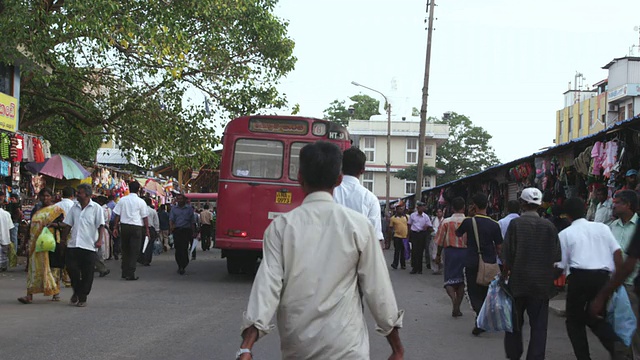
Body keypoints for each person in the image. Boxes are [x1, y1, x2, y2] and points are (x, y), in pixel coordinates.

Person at [237, 141, 404, 360]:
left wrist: (247, 346)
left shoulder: (282, 227)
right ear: (338, 179)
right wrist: (397, 348)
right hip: (348, 348)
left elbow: (266, 288)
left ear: (299, 178)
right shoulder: (359, 225)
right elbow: (378, 290)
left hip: (298, 347)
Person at [557, 197, 626, 360]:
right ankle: (615, 344)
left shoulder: (565, 234)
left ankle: (584, 357)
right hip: (602, 279)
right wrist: (617, 279)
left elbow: (561, 265)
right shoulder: (603, 228)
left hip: (579, 278)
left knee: (574, 322)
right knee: (595, 316)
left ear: (567, 215)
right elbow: (617, 253)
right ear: (585, 209)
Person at [501, 188, 561, 360]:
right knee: (539, 326)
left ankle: (513, 355)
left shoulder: (516, 224)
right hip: (541, 284)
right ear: (539, 204)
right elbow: (556, 257)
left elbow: (507, 255)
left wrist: (504, 276)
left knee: (514, 323)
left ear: (522, 203)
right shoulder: (549, 226)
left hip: (518, 282)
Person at [595, 190, 640, 358]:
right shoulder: (611, 227)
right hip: (615, 287)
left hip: (632, 286)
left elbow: (630, 263)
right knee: (618, 331)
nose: (613, 205)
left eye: (617, 202)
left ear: (628, 205)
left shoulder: (638, 226)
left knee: (635, 331)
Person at [455, 193, 503, 336]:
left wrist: (470, 215)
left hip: (472, 262)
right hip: (490, 263)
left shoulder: (469, 222)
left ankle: (480, 319)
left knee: (473, 292)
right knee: (487, 292)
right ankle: (482, 319)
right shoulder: (494, 224)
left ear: (473, 206)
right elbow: (499, 247)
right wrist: (504, 264)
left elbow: (458, 233)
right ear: (487, 205)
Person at [18, 188, 65, 304]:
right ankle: (29, 295)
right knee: (33, 268)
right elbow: (30, 226)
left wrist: (54, 224)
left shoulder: (56, 210)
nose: (45, 198)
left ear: (52, 197)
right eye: (43, 196)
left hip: (50, 243)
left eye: (48, 196)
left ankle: (55, 292)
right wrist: (25, 243)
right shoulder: (36, 210)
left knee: (52, 268)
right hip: (36, 243)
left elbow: (64, 224)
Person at [61, 184, 105, 307]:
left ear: (87, 195)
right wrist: (63, 240)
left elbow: (101, 226)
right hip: (74, 244)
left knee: (87, 273)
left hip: (89, 245)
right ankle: (77, 291)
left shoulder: (96, 208)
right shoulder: (74, 208)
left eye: (79, 193)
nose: (77, 195)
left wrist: (100, 240)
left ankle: (82, 297)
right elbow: (68, 225)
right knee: (72, 270)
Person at [333, 147, 384, 247]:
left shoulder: (330, 192)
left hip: (329, 256)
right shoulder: (371, 199)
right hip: (358, 257)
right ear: (362, 170)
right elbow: (376, 239)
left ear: (341, 167)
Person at [434, 196, 467, 317]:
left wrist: (438, 255)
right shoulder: (468, 221)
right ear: (464, 207)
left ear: (452, 208)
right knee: (462, 280)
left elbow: (440, 240)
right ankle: (457, 305)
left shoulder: (446, 222)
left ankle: (453, 301)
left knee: (449, 279)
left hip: (450, 252)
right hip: (465, 253)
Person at [112, 181, 150, 281]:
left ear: (129, 188)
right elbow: (145, 217)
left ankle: (124, 271)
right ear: (138, 190)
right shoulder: (141, 202)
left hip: (124, 226)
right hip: (136, 227)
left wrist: (115, 227)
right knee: (134, 250)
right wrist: (147, 230)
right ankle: (131, 273)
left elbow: (117, 215)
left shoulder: (122, 200)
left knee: (125, 249)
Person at [170, 194, 195, 275]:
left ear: (185, 200)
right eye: (178, 199)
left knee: (184, 248)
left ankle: (184, 263)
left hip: (186, 230)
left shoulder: (189, 209)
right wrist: (171, 228)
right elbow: (171, 219)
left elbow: (192, 221)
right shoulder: (174, 209)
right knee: (178, 249)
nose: (179, 200)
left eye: (181, 199)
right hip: (177, 230)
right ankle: (180, 265)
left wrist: (194, 231)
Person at [408, 201, 433, 274]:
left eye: (423, 207)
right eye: (420, 207)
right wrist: (408, 234)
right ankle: (414, 268)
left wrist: (427, 226)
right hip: (414, 234)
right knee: (414, 251)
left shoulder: (426, 216)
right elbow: (409, 225)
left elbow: (430, 226)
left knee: (420, 251)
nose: (421, 208)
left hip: (422, 234)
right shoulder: (412, 215)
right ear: (417, 207)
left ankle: (420, 268)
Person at [139, 198, 159, 266]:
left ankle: (141, 258)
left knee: (141, 244)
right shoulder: (153, 211)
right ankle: (147, 260)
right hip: (151, 229)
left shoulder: (140, 211)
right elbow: (156, 222)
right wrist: (157, 230)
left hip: (141, 228)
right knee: (149, 245)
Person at [389, 203, 409, 270]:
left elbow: (409, 226)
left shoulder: (407, 217)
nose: (400, 210)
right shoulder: (393, 218)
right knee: (397, 251)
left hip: (405, 237)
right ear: (396, 210)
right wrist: (391, 235)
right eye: (398, 209)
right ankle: (395, 264)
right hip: (397, 236)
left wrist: (409, 235)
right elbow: (391, 227)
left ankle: (403, 265)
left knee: (403, 251)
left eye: (401, 209)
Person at [0, 191, 14, 272]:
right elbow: (10, 227)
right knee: (3, 254)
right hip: (5, 238)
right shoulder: (6, 214)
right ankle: (3, 266)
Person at [429, 208, 444, 274]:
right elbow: (430, 227)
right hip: (434, 237)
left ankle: (440, 268)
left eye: (440, 212)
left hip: (442, 238)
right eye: (438, 212)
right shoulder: (433, 219)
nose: (439, 213)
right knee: (433, 253)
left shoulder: (444, 220)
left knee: (442, 254)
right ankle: (435, 269)